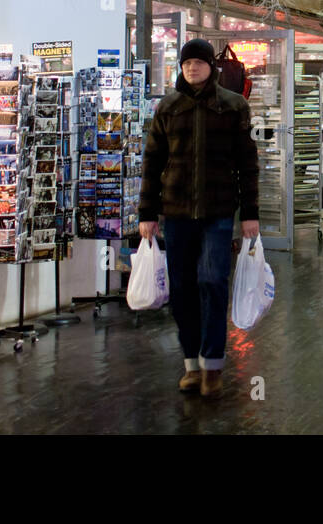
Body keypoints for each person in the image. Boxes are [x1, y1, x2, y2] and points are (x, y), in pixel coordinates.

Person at [139, 38, 259, 398]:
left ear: (212, 67)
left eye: (199, 62)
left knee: (212, 281)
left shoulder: (233, 106)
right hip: (175, 213)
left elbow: (247, 163)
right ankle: (192, 363)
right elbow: (152, 162)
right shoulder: (168, 108)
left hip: (219, 212)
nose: (192, 68)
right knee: (183, 290)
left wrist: (250, 213)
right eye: (186, 63)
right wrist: (147, 212)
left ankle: (213, 364)